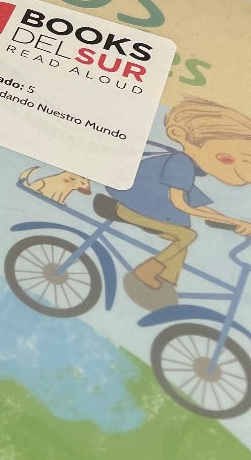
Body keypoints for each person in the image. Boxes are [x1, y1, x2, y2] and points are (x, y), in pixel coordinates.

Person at [107, 97, 251, 309]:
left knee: (181, 242)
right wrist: (226, 220)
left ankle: (161, 282)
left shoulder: (189, 170)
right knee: (187, 235)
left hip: (146, 211)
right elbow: (181, 204)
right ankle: (145, 272)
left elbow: (197, 205)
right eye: (227, 159)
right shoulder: (180, 163)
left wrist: (231, 221)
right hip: (131, 207)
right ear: (179, 135)